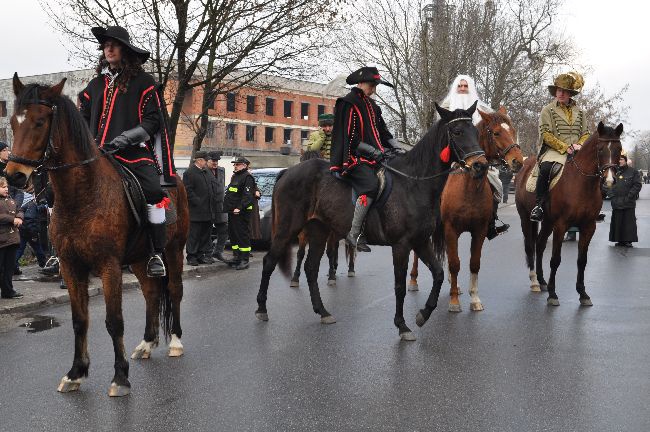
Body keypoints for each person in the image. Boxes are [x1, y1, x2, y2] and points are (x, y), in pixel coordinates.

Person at [78, 25, 176, 277]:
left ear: (126, 50)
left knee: (154, 192)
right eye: (105, 45)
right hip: (96, 154)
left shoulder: (144, 82)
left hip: (131, 153)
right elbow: (82, 118)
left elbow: (153, 121)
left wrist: (124, 139)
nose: (108, 48)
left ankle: (156, 252)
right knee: (60, 190)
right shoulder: (95, 84)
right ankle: (64, 252)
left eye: (114, 44)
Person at [330, 66, 399, 252]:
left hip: (375, 156)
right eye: (372, 85)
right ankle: (354, 233)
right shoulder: (348, 103)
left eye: (376, 85)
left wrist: (397, 147)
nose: (374, 89)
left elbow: (383, 132)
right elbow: (349, 138)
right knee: (370, 185)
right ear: (361, 83)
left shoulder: (373, 106)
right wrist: (372, 151)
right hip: (354, 157)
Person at [440, 74, 508, 239]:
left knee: (496, 184)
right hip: (453, 157)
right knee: (433, 183)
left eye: (466, 86)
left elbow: (492, 135)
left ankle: (490, 222)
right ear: (455, 88)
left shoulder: (482, 110)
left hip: (477, 158)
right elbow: (441, 133)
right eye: (460, 86)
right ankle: (432, 219)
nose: (463, 89)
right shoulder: (446, 106)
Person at [530, 72, 589, 227]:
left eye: (565, 91)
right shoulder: (547, 110)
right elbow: (546, 134)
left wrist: (580, 145)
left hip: (577, 150)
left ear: (570, 93)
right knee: (546, 169)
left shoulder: (581, 112)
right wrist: (565, 147)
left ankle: (592, 207)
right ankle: (539, 206)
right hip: (554, 150)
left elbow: (586, 133)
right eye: (558, 90)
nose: (561, 93)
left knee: (593, 169)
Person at [223, 156, 256, 270]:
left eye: (237, 164)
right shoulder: (235, 176)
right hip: (232, 212)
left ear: (245, 165)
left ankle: (244, 259)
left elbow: (247, 196)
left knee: (242, 235)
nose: (235, 166)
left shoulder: (247, 177)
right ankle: (237, 256)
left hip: (241, 212)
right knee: (233, 234)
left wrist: (239, 208)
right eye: (234, 164)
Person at [183, 151, 214, 266]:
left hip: (207, 210)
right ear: (199, 160)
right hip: (196, 211)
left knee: (205, 235)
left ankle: (201, 255)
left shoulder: (206, 172)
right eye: (206, 160)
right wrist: (198, 201)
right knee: (194, 235)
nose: (207, 162)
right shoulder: (189, 173)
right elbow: (188, 190)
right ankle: (191, 256)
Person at [609, 153, 642, 247]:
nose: (619, 161)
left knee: (628, 222)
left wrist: (629, 196)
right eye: (618, 159)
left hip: (628, 202)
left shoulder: (633, 171)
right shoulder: (613, 172)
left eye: (621, 159)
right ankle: (619, 240)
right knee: (618, 221)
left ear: (625, 160)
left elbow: (637, 185)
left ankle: (628, 240)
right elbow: (607, 185)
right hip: (616, 201)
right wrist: (612, 196)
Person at [0, 177, 24, 299]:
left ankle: (8, 291)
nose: (6, 189)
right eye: (3, 187)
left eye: (7, 187)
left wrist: (19, 217)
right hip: (1, 240)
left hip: (12, 239)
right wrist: (12, 219)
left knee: (9, 267)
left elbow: (19, 209)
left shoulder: (10, 200)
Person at [14, 189, 47, 274]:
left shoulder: (23, 205)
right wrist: (34, 234)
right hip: (30, 231)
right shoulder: (31, 205)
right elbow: (30, 219)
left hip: (23, 230)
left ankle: (13, 265)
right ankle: (44, 265)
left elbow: (34, 211)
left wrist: (43, 207)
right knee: (37, 248)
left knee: (20, 249)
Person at [207, 151, 229, 262]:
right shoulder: (204, 171)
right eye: (213, 161)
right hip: (208, 206)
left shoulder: (222, 170)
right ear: (207, 160)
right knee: (207, 230)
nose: (215, 163)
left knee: (224, 229)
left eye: (217, 161)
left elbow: (221, 186)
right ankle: (208, 253)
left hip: (221, 205)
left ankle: (218, 251)